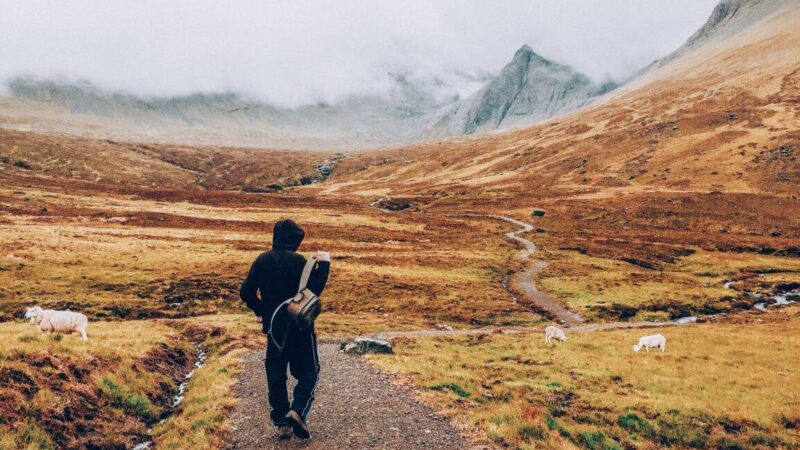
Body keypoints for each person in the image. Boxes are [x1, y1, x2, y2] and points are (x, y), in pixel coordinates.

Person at [240, 219, 330, 440]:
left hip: (274, 331)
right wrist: (324, 264)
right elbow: (313, 292)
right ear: (295, 240)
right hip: (301, 329)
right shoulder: (301, 262)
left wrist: (262, 310)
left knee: (276, 374)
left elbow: (246, 292)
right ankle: (297, 411)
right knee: (309, 372)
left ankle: (282, 421)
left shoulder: (262, 260)